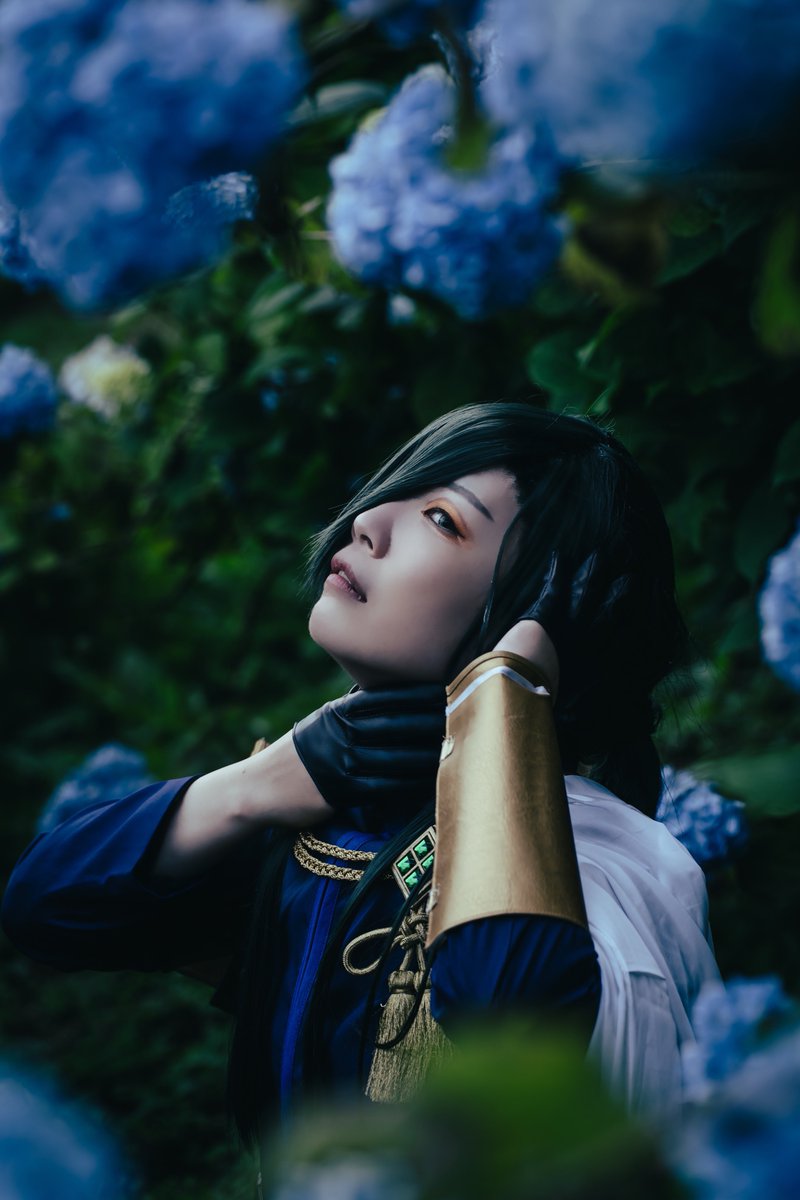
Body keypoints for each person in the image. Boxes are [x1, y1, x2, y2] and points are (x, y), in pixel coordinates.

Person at [2, 403, 720, 1153]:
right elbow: (45, 909)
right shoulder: (328, 829)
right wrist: (259, 783)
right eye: (399, 491)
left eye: (442, 520)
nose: (370, 521)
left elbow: (514, 1029)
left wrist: (505, 688)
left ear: (541, 612)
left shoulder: (597, 870)